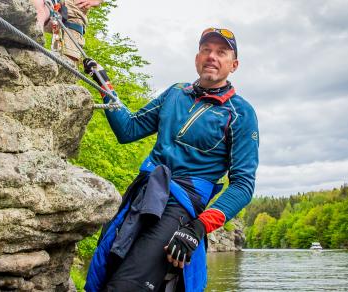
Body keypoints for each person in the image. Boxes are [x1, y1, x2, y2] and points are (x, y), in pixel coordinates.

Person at [83, 27, 259, 292]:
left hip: (182, 206)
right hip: (143, 195)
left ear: (233, 65)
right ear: (197, 57)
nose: (212, 56)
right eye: (206, 50)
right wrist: (106, 87)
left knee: (124, 287)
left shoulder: (241, 113)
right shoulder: (175, 93)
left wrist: (198, 227)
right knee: (105, 272)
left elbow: (243, 185)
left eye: (221, 52)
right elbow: (129, 129)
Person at [32, 0, 103, 62]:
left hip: (73, 13)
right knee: (39, 10)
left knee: (69, 61)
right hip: (49, 6)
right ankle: (33, 41)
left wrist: (96, 1)